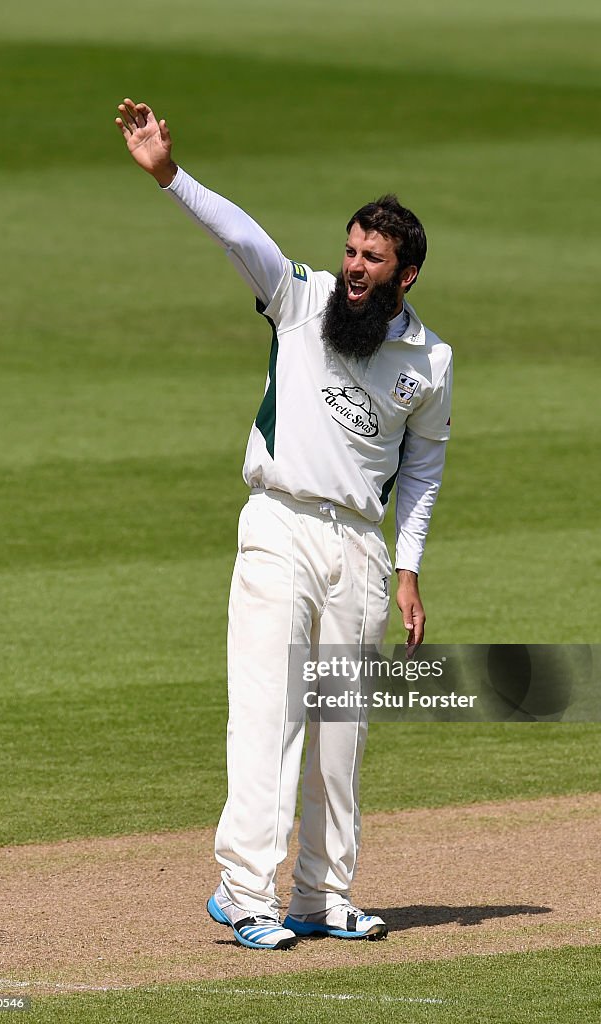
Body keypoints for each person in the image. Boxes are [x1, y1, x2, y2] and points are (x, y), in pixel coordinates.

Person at [115, 98, 453, 951]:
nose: (354, 267)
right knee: (269, 717)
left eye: (373, 258)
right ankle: (245, 893)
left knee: (341, 734)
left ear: (405, 274)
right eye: (350, 250)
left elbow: (421, 469)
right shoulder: (299, 300)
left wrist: (407, 569)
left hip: (360, 551)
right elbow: (243, 237)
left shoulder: (431, 362)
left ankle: (321, 894)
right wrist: (169, 176)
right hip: (278, 526)